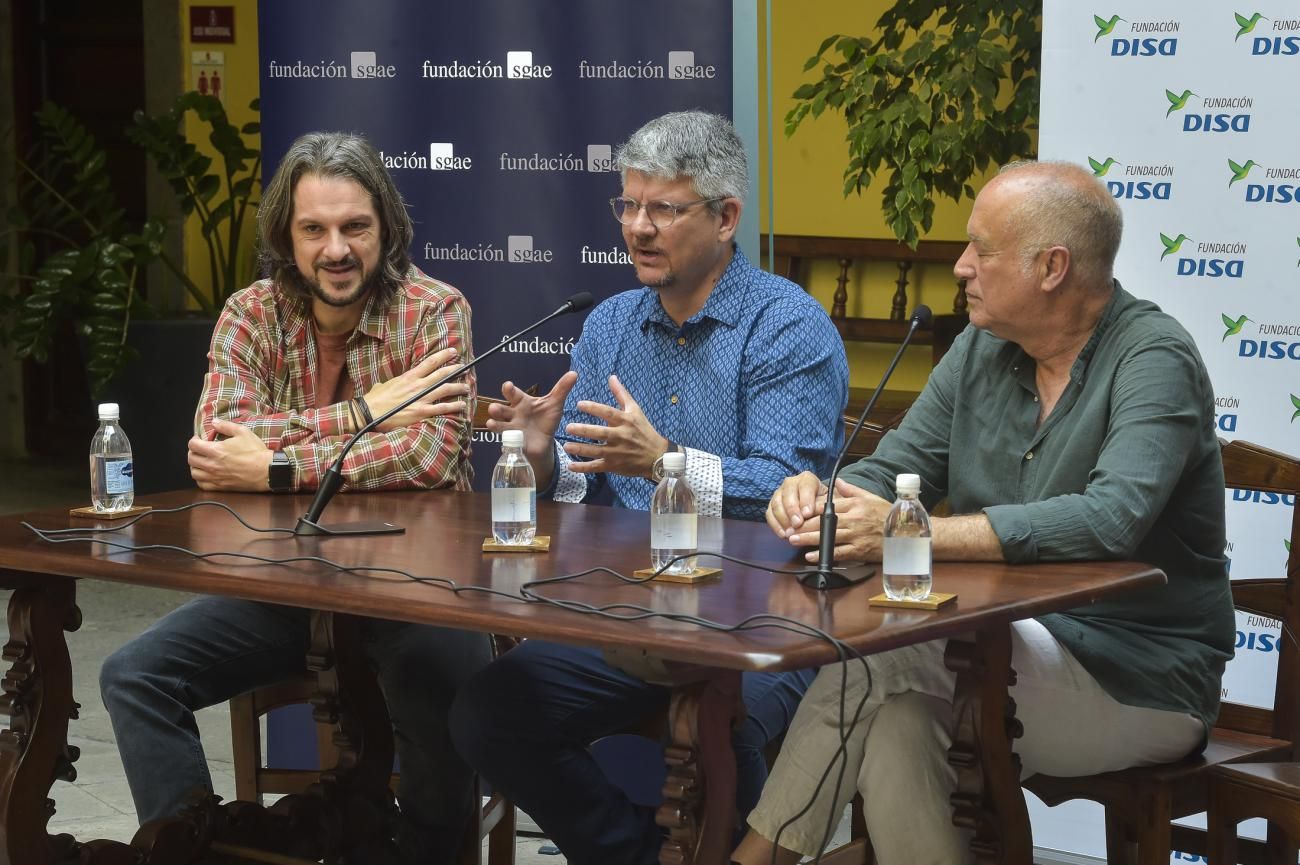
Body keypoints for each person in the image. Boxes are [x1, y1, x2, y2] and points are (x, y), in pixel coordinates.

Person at [732, 160, 1236, 865]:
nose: (962, 266)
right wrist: (821, 497)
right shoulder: (979, 348)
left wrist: (914, 532)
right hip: (994, 651)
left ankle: (752, 858)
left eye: (982, 249)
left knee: (894, 644)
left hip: (1138, 677)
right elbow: (888, 471)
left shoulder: (1154, 357)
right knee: (898, 728)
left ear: (1052, 266)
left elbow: (1112, 517)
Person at [449, 110, 849, 865]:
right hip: (630, 613)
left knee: (728, 729)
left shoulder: (787, 326)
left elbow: (788, 491)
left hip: (758, 615)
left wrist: (664, 461)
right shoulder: (609, 324)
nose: (638, 227)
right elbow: (586, 479)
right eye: (628, 205)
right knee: (488, 709)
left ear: (727, 217)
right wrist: (540, 460)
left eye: (664, 208)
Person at [99, 131, 491, 865]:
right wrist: (367, 410)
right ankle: (199, 852)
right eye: (314, 229)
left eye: (355, 228)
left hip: (421, 589)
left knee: (446, 696)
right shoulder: (251, 312)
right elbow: (218, 444)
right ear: (287, 233)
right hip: (281, 589)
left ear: (386, 228)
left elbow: (430, 453)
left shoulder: (436, 310)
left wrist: (274, 466)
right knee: (133, 675)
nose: (335, 249)